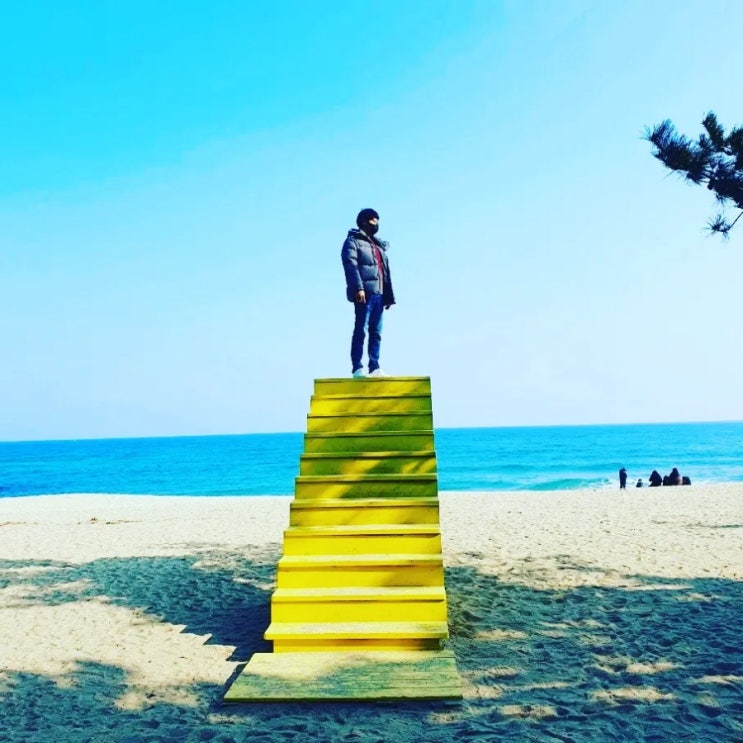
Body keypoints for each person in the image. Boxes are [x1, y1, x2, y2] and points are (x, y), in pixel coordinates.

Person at [341, 208, 396, 378]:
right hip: (364, 294)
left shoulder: (378, 246)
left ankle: (374, 367)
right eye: (373, 219)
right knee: (361, 330)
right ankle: (357, 368)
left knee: (376, 333)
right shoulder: (353, 242)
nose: (376, 223)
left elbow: (384, 272)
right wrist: (358, 288)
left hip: (379, 294)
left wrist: (388, 296)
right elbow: (350, 265)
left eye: (377, 220)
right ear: (364, 221)